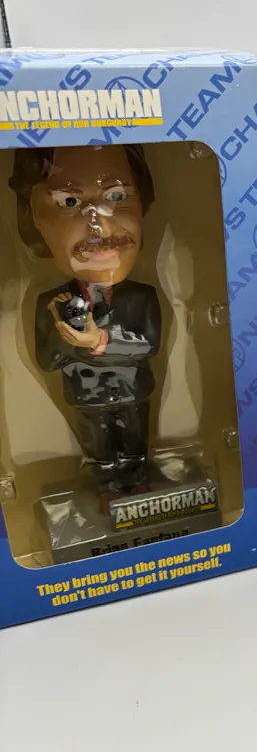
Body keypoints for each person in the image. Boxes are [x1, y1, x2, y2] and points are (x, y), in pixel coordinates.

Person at [10, 144, 161, 497]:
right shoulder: (52, 304)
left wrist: (97, 341)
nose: (100, 225)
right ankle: (107, 489)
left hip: (133, 391)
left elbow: (148, 346)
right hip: (86, 396)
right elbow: (47, 361)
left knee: (135, 446)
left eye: (117, 196)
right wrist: (65, 333)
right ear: (32, 219)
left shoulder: (142, 297)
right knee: (99, 453)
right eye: (69, 202)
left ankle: (138, 486)